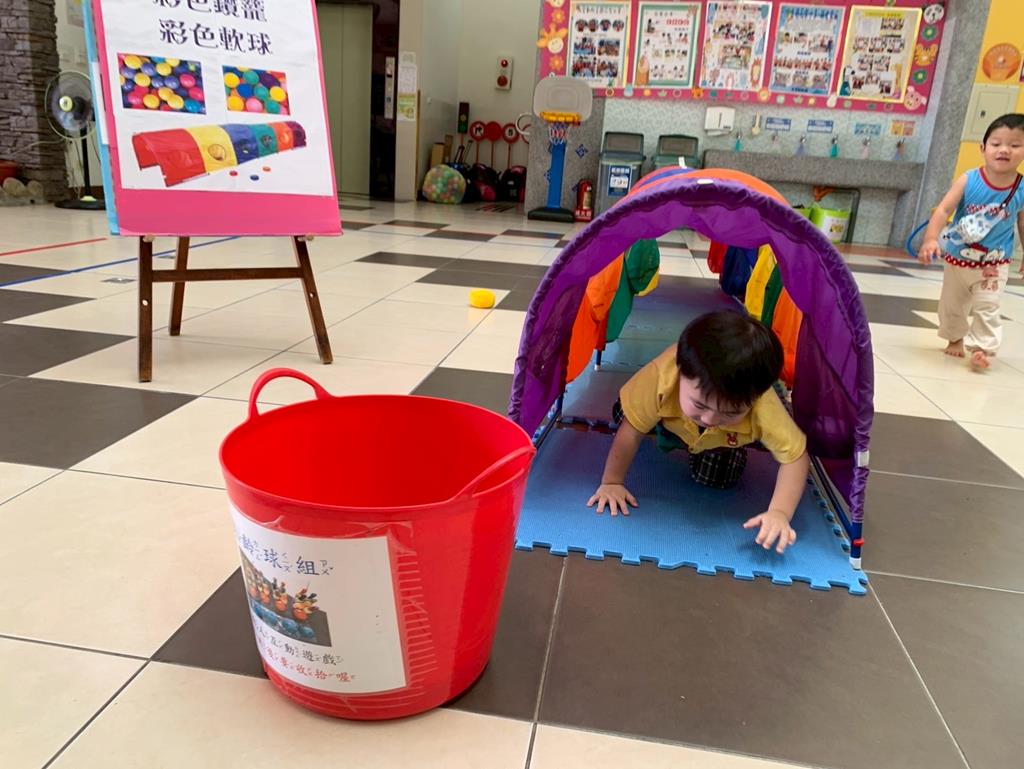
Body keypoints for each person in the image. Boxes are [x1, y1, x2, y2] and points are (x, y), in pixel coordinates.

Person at [587, 310, 809, 554]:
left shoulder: (763, 405)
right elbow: (631, 431)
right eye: (700, 405)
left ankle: (709, 436)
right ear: (681, 373)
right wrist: (612, 482)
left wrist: (779, 512)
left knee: (719, 478)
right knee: (625, 415)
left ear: (756, 398)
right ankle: (664, 429)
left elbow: (796, 457)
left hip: (718, 440)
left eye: (730, 413)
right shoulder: (661, 378)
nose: (711, 419)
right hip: (667, 416)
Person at [918, 113, 1024, 369]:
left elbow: (1022, 222)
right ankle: (955, 338)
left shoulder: (1021, 187)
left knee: (988, 305)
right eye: (996, 144)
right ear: (983, 148)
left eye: (1015, 145)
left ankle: (982, 349)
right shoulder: (969, 179)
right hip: (958, 258)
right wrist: (931, 239)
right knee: (952, 304)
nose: (1004, 150)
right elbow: (944, 210)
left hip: (994, 262)